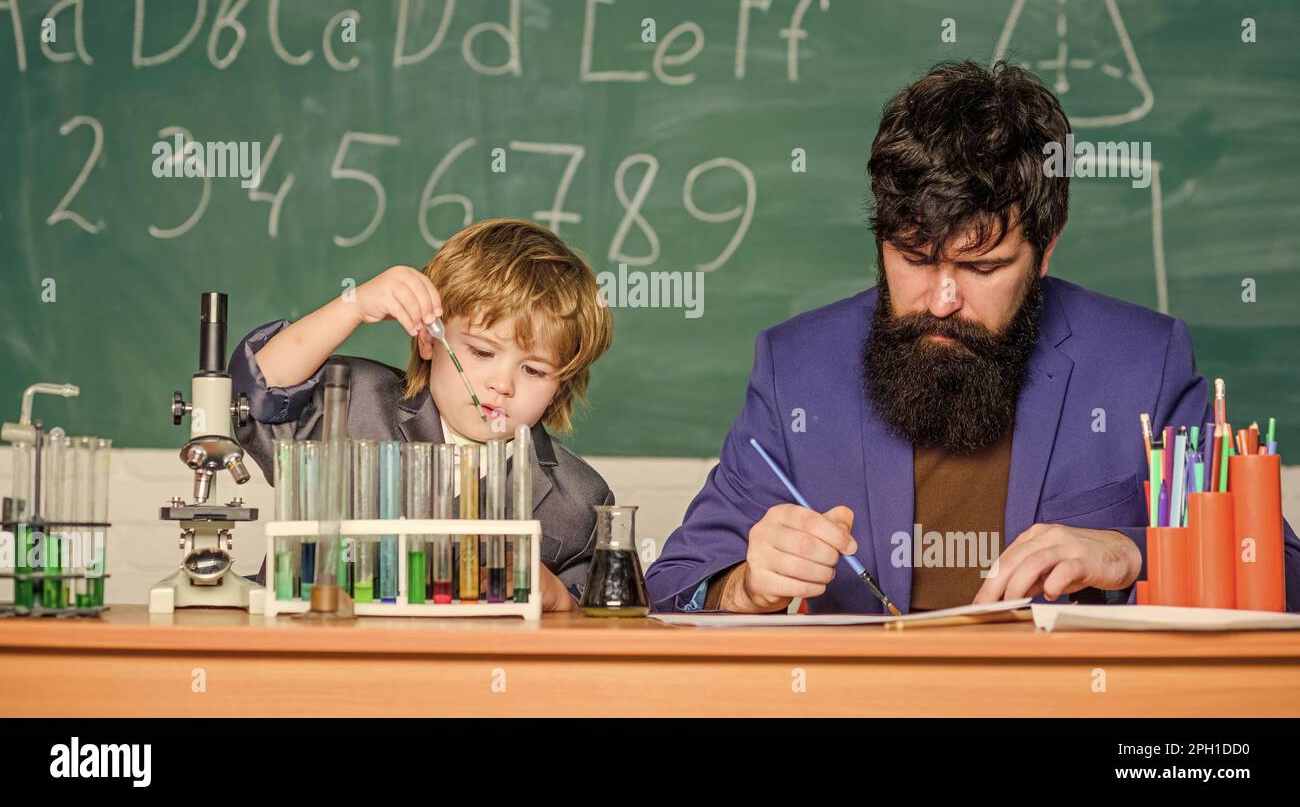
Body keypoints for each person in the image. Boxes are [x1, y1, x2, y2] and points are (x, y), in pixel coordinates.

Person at [645, 60, 1300, 614]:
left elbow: (1282, 574)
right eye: (913, 257)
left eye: (982, 267)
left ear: (1045, 252)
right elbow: (670, 589)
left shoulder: (1143, 361)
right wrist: (743, 588)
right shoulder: (796, 368)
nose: (942, 298)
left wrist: (1131, 552)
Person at [230, 218, 615, 610]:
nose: (503, 384)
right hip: (312, 663)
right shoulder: (348, 403)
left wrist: (561, 601)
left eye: (534, 370)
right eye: (482, 352)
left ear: (562, 382)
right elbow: (255, 390)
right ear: (430, 338)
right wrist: (356, 305)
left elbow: (600, 627)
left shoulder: (581, 498)